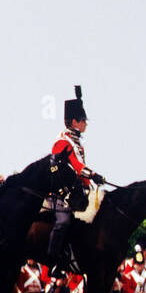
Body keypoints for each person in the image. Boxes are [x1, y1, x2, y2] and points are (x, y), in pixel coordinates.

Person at [46, 86, 105, 271]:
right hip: (58, 193)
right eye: (83, 121)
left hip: (74, 192)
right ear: (74, 122)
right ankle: (52, 260)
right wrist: (92, 175)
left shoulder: (76, 142)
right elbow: (73, 167)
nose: (85, 124)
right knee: (63, 221)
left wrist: (92, 181)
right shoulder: (63, 141)